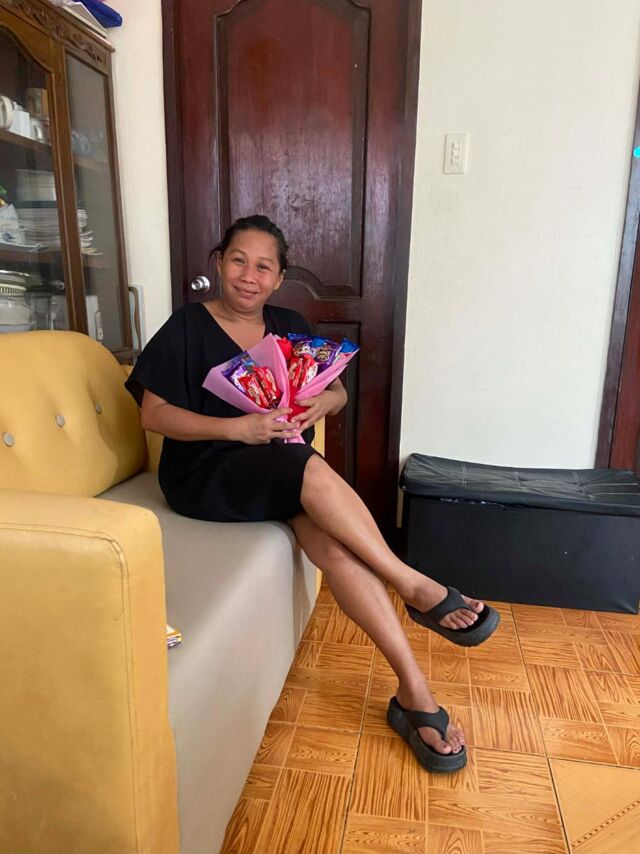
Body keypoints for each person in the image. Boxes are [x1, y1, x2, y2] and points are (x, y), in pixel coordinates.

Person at [125, 214, 499, 773]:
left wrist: (323, 402)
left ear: (278, 278)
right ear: (218, 263)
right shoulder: (186, 325)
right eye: (237, 260)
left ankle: (414, 692)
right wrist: (238, 429)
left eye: (263, 267)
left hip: (276, 469)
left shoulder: (288, 324)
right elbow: (153, 414)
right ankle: (412, 583)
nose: (248, 276)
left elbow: (335, 392)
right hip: (205, 475)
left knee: (334, 544)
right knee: (304, 464)